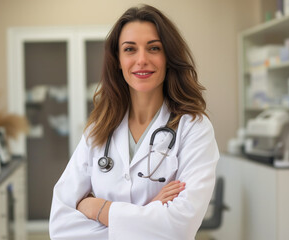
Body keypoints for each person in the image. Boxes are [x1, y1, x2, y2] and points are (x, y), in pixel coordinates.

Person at [49, 4, 219, 240]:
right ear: (118, 60)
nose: (142, 60)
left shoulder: (193, 128)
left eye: (154, 48)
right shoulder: (97, 130)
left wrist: (96, 208)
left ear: (168, 56)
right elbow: (61, 227)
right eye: (130, 49)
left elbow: (179, 227)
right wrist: (149, 212)